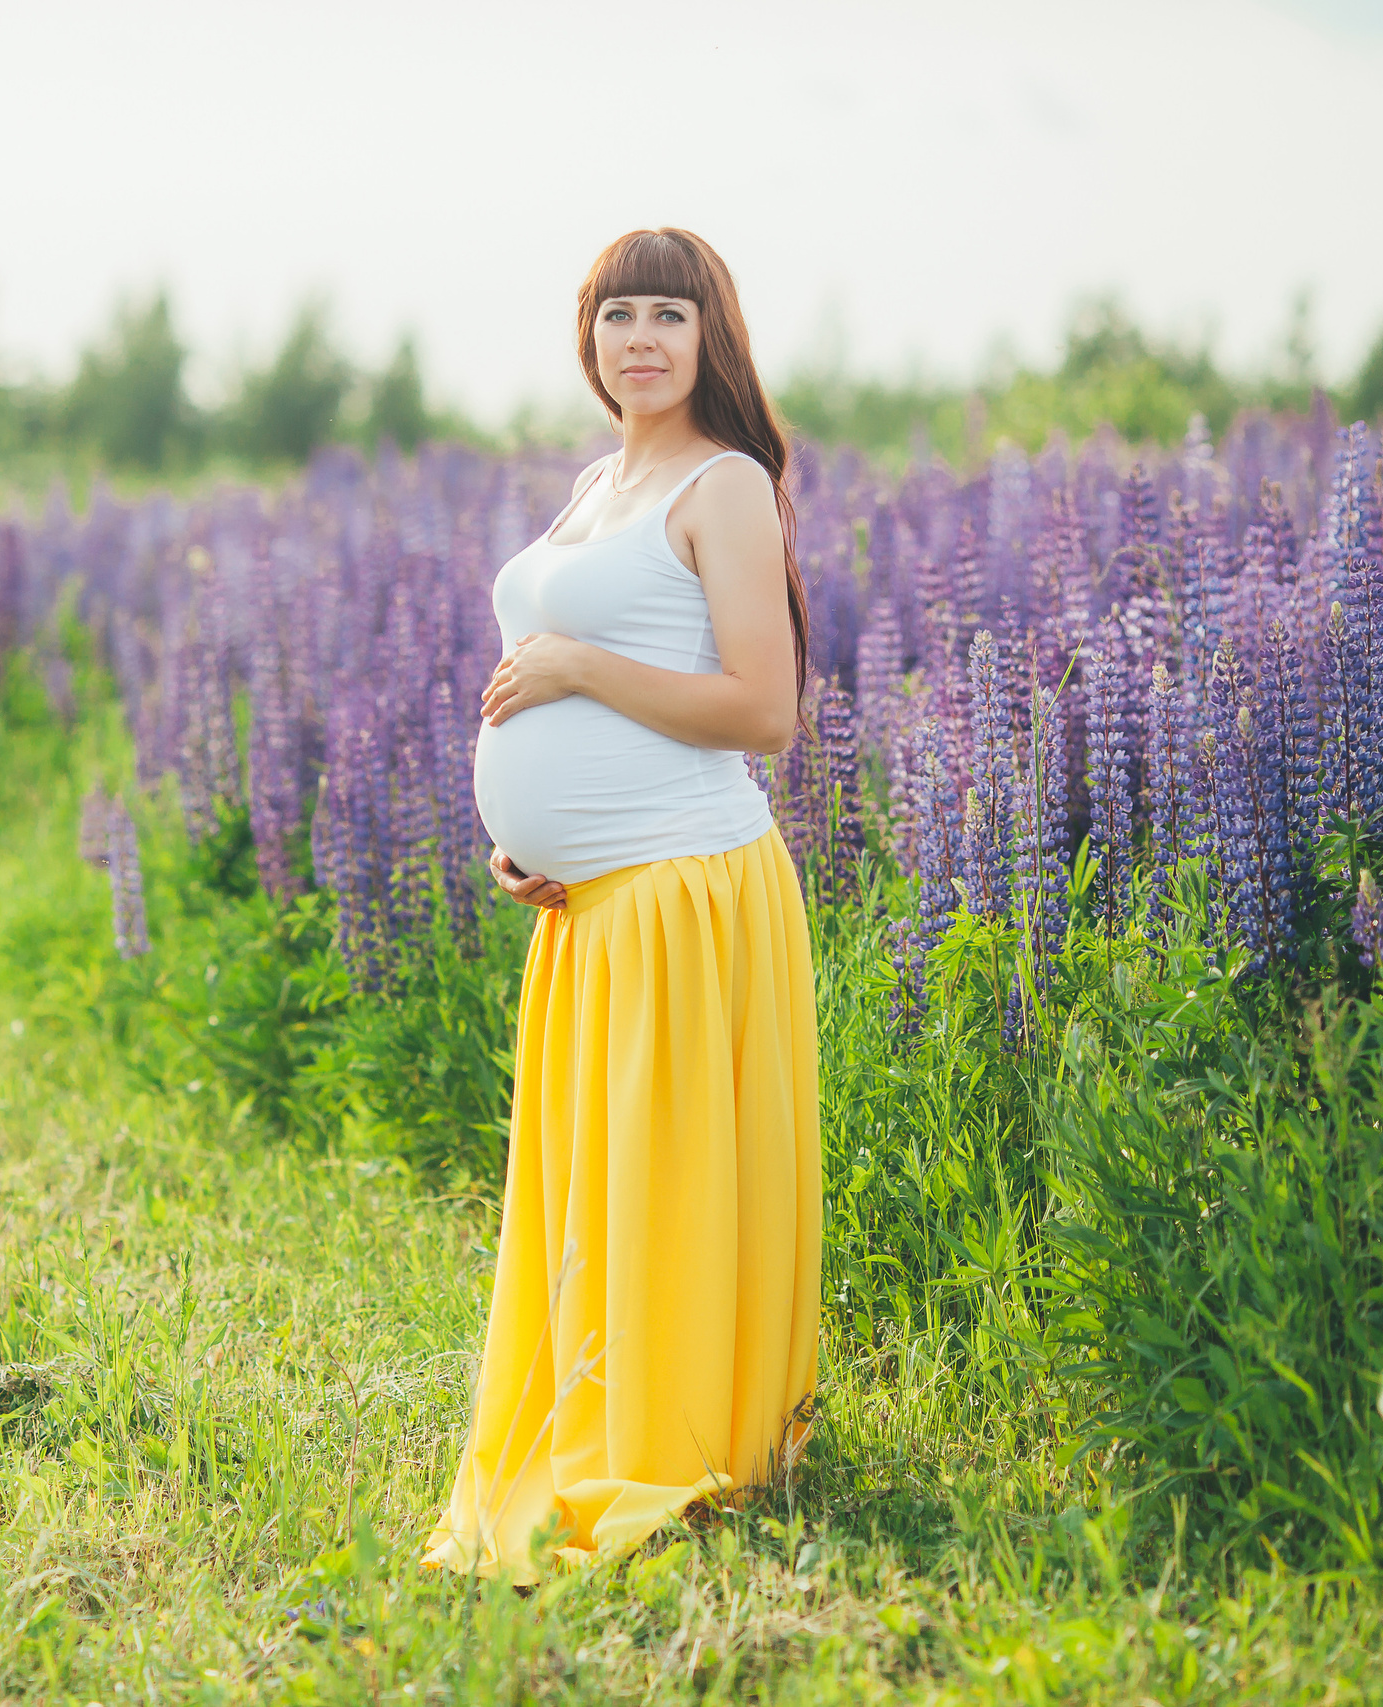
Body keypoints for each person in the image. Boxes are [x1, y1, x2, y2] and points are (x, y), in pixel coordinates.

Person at [422, 227, 819, 1584]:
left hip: (684, 893)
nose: (640, 338)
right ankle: (603, 1407)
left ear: (712, 336)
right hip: (589, 910)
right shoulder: (601, 480)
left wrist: (580, 667)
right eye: (616, 314)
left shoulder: (727, 485)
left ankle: (673, 1433)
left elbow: (764, 711)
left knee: (663, 1187)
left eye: (669, 314)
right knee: (598, 1193)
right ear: (586, 338)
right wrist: (523, 840)